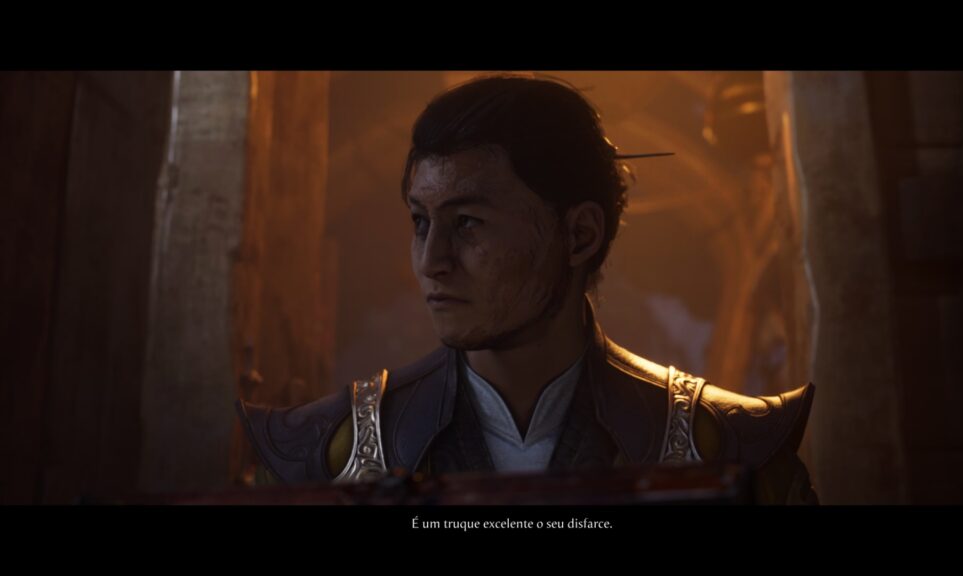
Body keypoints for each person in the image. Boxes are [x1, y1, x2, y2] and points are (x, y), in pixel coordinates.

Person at [236, 73, 818, 504]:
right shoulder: (321, 456)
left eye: (468, 223)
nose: (431, 261)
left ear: (580, 234)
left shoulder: (728, 449)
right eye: (420, 222)